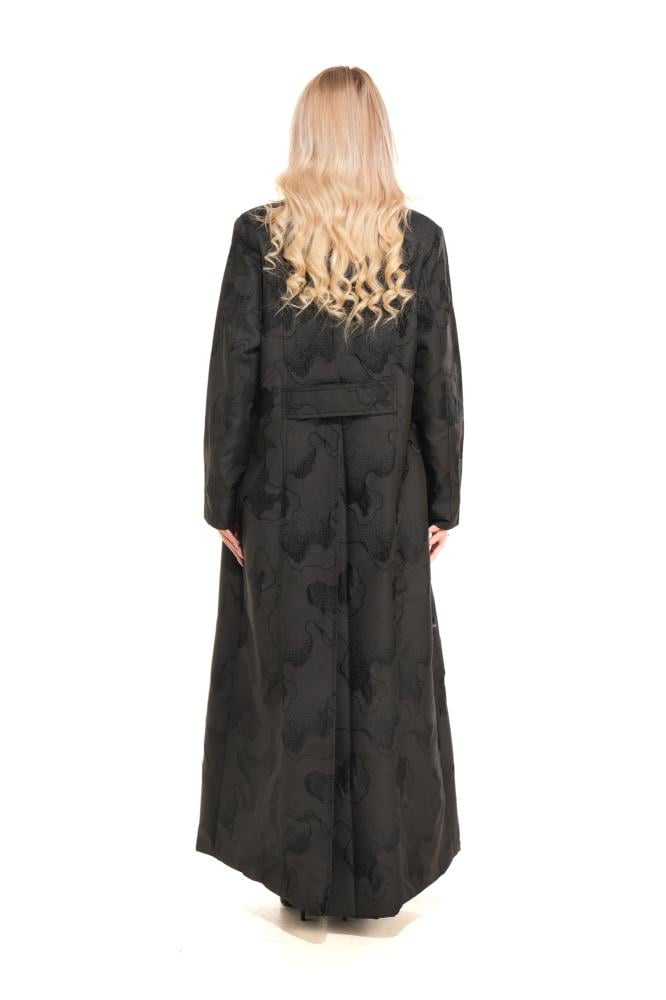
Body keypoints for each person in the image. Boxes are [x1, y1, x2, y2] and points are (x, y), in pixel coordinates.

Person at [195, 65, 464, 921]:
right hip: (390, 492)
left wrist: (224, 498)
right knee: (386, 676)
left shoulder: (260, 238)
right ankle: (377, 882)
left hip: (284, 491)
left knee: (292, 678)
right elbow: (440, 383)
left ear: (306, 136)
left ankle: (302, 882)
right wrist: (442, 499)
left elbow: (233, 378)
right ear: (376, 136)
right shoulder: (417, 241)